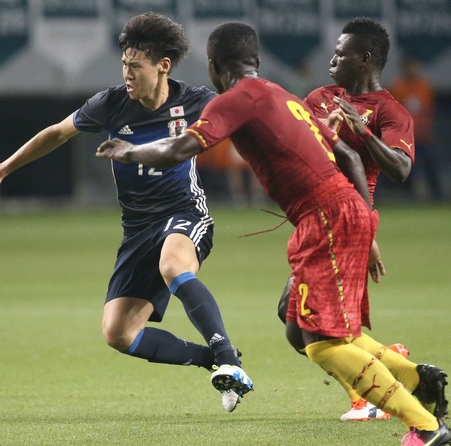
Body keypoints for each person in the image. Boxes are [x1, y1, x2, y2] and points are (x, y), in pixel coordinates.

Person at [95, 21, 451, 445]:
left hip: (326, 217)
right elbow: (350, 160)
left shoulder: (236, 100)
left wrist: (130, 149)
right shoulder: (283, 95)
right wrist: (364, 223)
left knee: (322, 343)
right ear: (256, 62)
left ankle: (426, 426)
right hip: (337, 214)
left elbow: (177, 150)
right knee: (300, 326)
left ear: (213, 66)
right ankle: (417, 381)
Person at [0, 12, 252, 413]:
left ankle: (228, 360)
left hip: (184, 212)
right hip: (137, 227)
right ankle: (213, 359)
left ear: (163, 66)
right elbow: (57, 133)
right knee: (119, 333)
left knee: (173, 265)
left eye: (136, 66)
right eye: (124, 66)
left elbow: (253, 120)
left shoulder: (196, 101)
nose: (127, 74)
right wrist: (3, 169)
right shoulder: (112, 104)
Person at [278, 17, 448, 423]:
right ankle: (393, 366)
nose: (332, 59)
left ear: (366, 59)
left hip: (349, 224)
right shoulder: (319, 97)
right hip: (314, 220)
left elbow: (402, 169)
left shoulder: (389, 111)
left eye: (341, 53)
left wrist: (363, 133)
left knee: (313, 329)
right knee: (295, 325)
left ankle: (374, 394)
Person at [390, 56, 442, 201]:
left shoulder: (424, 86)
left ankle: (437, 195)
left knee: (430, 164)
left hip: (423, 134)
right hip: (406, 136)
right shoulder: (398, 86)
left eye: (413, 66)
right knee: (408, 168)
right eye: (408, 67)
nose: (411, 70)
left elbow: (429, 109)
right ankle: (409, 195)